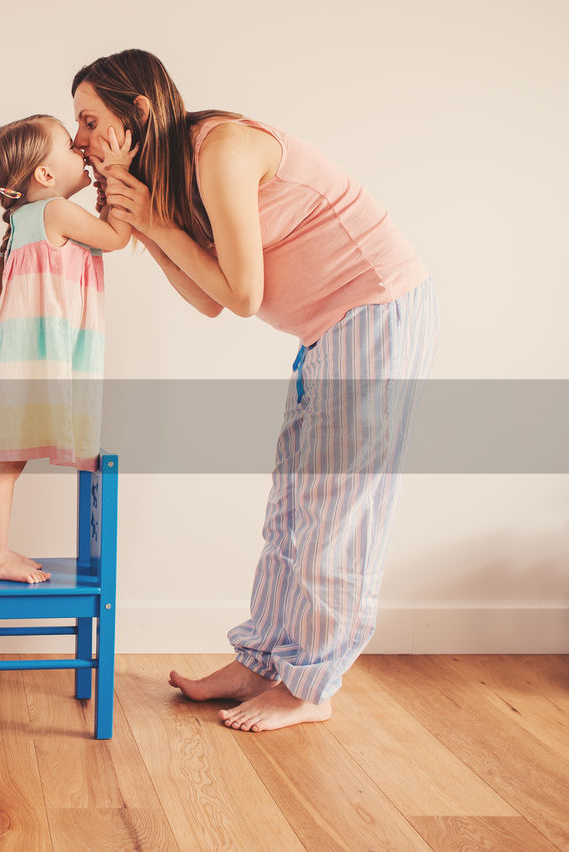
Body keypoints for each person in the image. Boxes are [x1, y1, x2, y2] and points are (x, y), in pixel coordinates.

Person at [71, 49, 439, 730]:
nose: (78, 140)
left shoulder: (224, 151)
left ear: (139, 113)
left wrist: (153, 223)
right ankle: (264, 661)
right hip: (328, 329)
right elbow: (208, 297)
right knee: (293, 507)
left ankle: (309, 689)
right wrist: (147, 228)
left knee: (337, 511)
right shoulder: (180, 173)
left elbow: (242, 295)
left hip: (373, 311)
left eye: (90, 120)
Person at [0, 114, 135, 584]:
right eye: (70, 144)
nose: (81, 149)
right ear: (44, 174)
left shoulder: (27, 218)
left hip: (10, 359)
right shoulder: (55, 211)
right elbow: (117, 238)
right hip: (28, 364)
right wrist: (116, 172)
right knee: (5, 464)